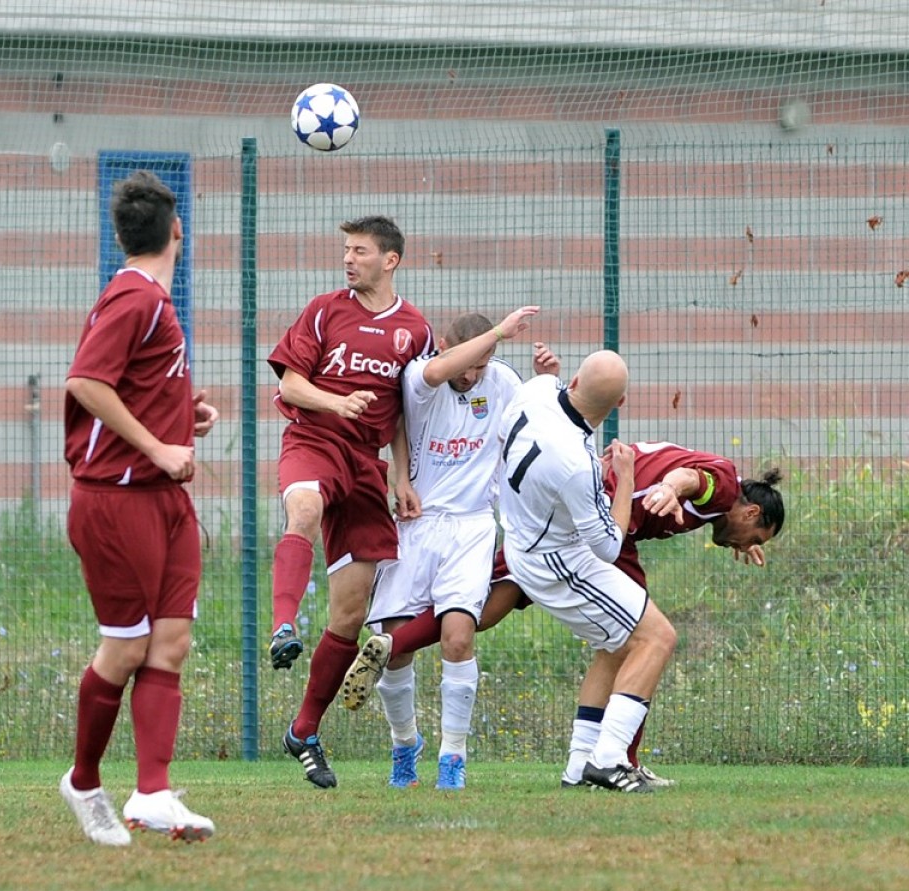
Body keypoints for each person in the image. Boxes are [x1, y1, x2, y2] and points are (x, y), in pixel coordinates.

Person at [266, 214, 534, 789]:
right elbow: (289, 384)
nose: (348, 258)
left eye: (359, 250)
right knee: (304, 511)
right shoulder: (324, 309)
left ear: (390, 260)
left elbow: (403, 410)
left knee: (353, 614)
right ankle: (283, 626)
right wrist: (335, 405)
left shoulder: (413, 328)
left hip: (372, 471)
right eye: (346, 249)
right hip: (315, 443)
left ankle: (307, 730)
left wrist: (401, 473)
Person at [348, 438, 785, 790]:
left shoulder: (724, 500)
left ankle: (393, 644)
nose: (742, 544)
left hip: (578, 523)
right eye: (755, 533)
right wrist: (671, 488)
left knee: (481, 614)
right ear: (751, 511)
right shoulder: (724, 485)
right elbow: (690, 478)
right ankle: (616, 760)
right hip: (591, 527)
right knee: (648, 638)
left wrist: (737, 534)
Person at [59, 170, 220, 845]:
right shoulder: (134, 298)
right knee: (125, 646)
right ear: (177, 230)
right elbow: (87, 383)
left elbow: (134, 383)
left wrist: (186, 415)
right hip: (115, 499)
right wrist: (157, 444)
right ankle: (85, 782)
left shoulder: (153, 299)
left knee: (171, 643)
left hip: (164, 499)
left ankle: (152, 793)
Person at [337, 314, 559, 791]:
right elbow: (440, 373)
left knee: (458, 637)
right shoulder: (422, 376)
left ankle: (452, 757)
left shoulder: (501, 381)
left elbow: (541, 418)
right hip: (416, 526)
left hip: (473, 526)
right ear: (446, 346)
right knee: (395, 646)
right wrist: (498, 334)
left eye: (484, 365)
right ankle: (404, 746)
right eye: (470, 362)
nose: (475, 375)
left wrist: (546, 381)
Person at [495, 350, 682, 793]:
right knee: (658, 637)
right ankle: (610, 760)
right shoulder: (578, 464)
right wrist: (625, 479)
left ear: (573, 378)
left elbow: (517, 428)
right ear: (619, 404)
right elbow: (608, 545)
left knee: (617, 643)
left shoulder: (537, 389)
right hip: (557, 561)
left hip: (524, 537)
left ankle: (579, 767)